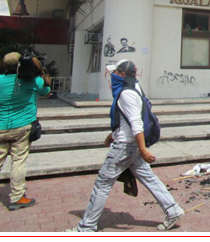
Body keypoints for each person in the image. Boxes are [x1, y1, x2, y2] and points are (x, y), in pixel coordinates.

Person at [67, 60, 183, 232]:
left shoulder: (125, 94)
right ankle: (173, 210)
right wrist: (113, 134)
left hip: (125, 147)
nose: (112, 76)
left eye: (114, 73)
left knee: (103, 184)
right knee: (149, 178)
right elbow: (127, 121)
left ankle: (86, 227)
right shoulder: (136, 87)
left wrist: (143, 149)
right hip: (131, 145)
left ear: (122, 74)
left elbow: (136, 123)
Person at [0, 52, 50, 211]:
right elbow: (46, 91)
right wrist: (41, 71)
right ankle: (17, 197)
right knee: (18, 162)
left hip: (1, 127)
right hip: (22, 128)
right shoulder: (34, 81)